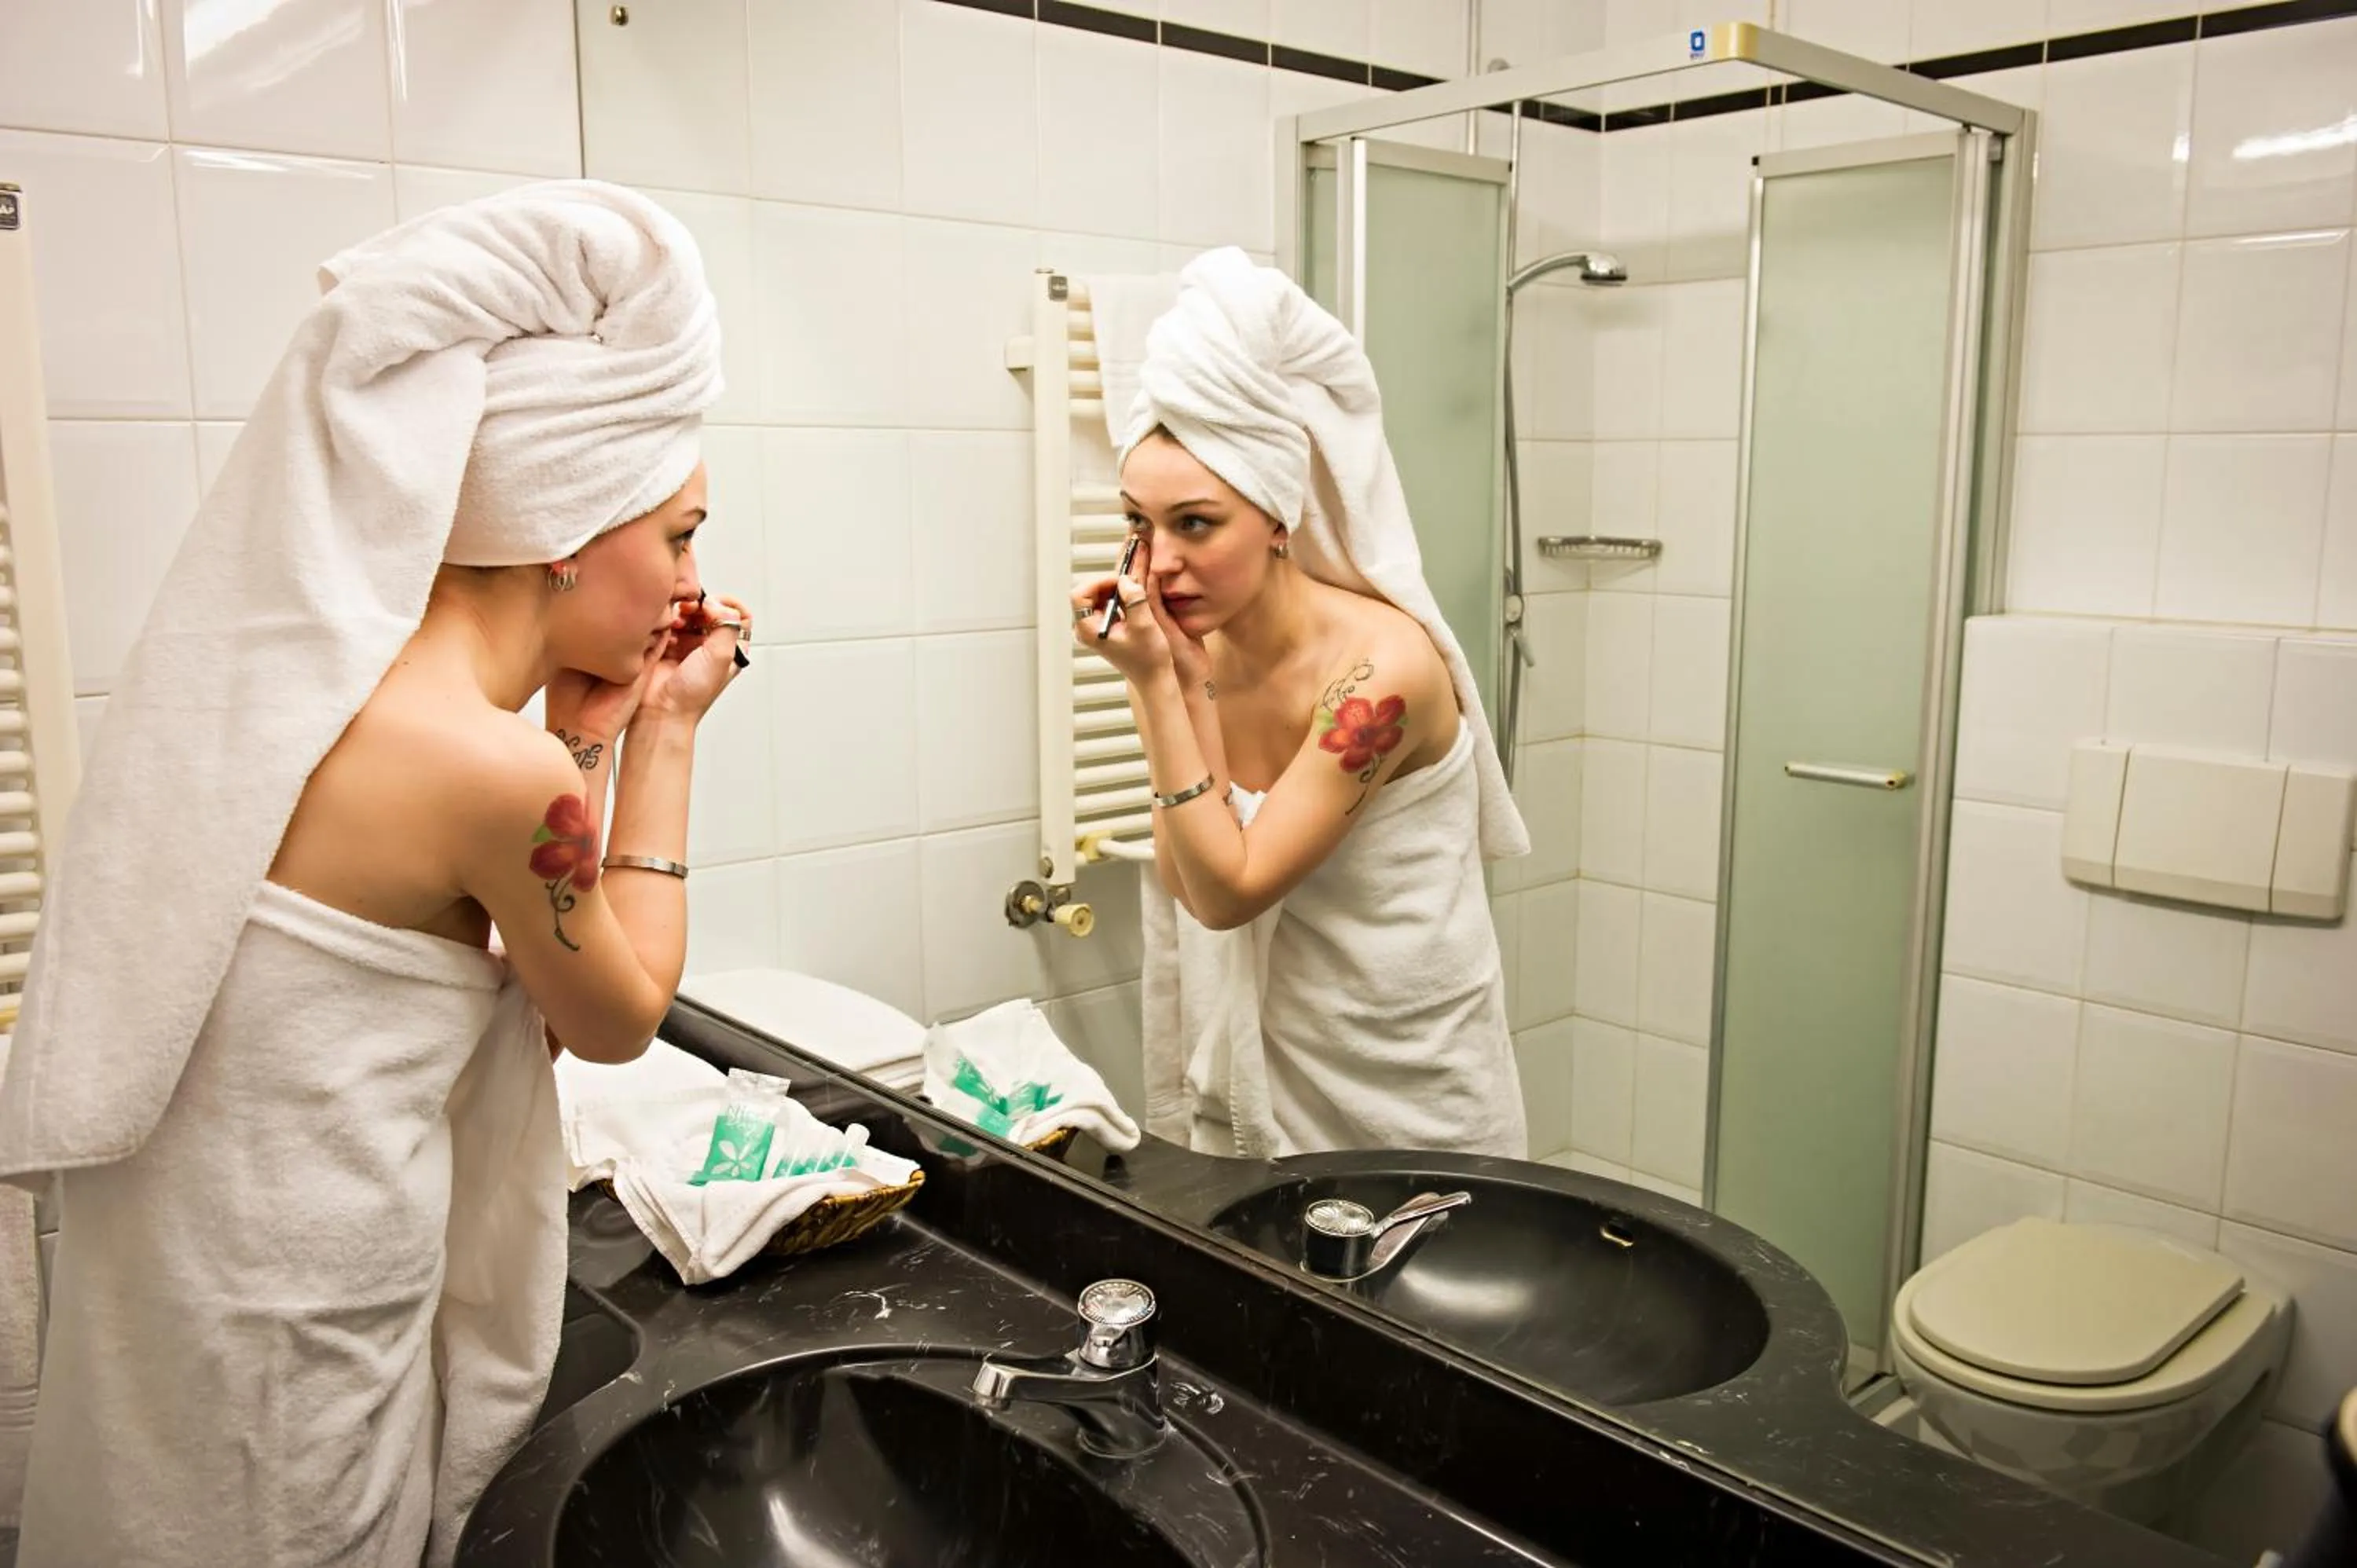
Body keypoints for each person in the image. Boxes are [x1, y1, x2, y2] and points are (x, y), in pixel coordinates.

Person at [0, 181, 741, 1566]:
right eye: (680, 533)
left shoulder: (311, 688)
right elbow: (614, 1014)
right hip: (299, 1345)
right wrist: (668, 736)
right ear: (568, 525)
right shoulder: (489, 770)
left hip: (189, 1301)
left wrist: (583, 732)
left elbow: (511, 929)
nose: (694, 578)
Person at [1076, 247, 1530, 1161]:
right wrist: (1177, 683)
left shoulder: (1382, 672)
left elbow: (1228, 896)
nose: (1159, 563)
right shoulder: (1202, 651)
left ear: (1279, 516)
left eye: (1195, 522)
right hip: (1271, 1091)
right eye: (1138, 522)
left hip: (1406, 1090)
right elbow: (1189, 875)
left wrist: (1154, 684)